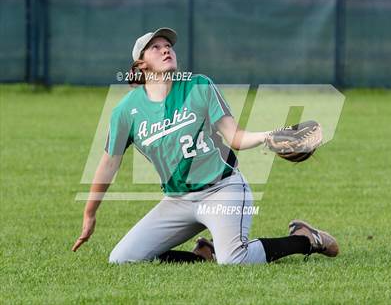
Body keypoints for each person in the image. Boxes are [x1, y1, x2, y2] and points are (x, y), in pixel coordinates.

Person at [72, 28, 339, 264]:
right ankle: (204, 254)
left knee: (234, 260)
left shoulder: (199, 86)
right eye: (156, 47)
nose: (166, 49)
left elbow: (235, 137)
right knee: (122, 258)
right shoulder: (126, 111)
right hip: (178, 200)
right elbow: (108, 164)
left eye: (168, 46)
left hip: (223, 189)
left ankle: (306, 239)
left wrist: (268, 136)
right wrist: (89, 213)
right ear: (141, 65)